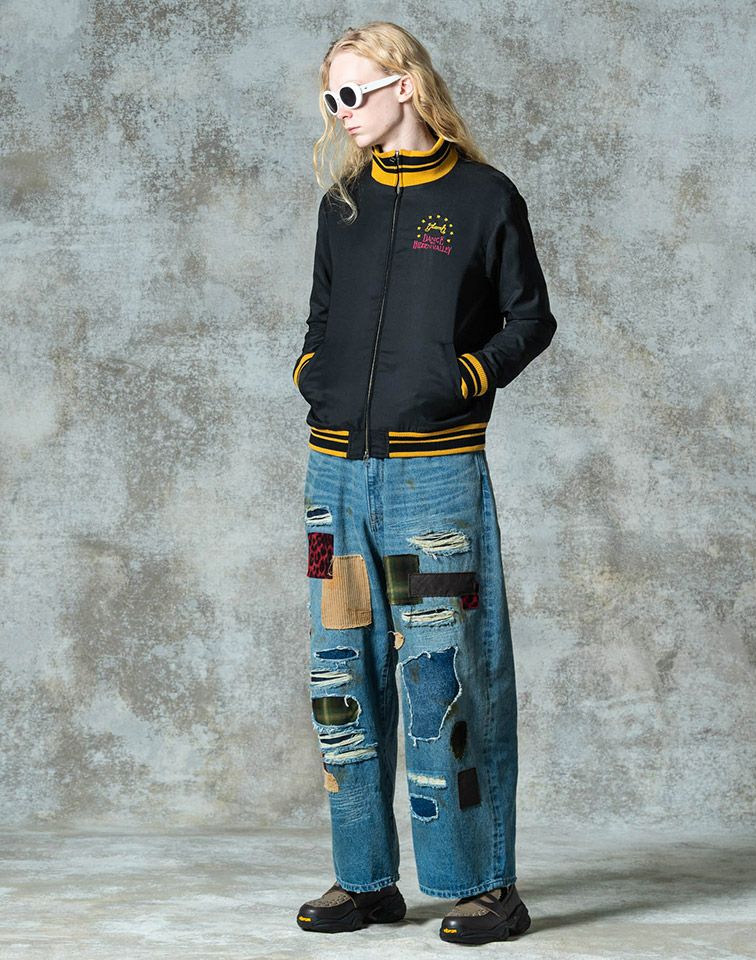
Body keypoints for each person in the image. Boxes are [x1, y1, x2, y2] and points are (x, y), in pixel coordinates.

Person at [292, 21, 557, 946]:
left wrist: (465, 378)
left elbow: (530, 318)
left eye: (352, 93)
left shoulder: (484, 198)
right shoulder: (344, 205)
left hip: (433, 475)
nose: (340, 113)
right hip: (333, 478)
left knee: (446, 675)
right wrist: (314, 376)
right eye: (331, 98)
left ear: (403, 85)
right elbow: (320, 318)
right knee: (340, 675)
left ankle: (483, 885)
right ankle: (365, 881)